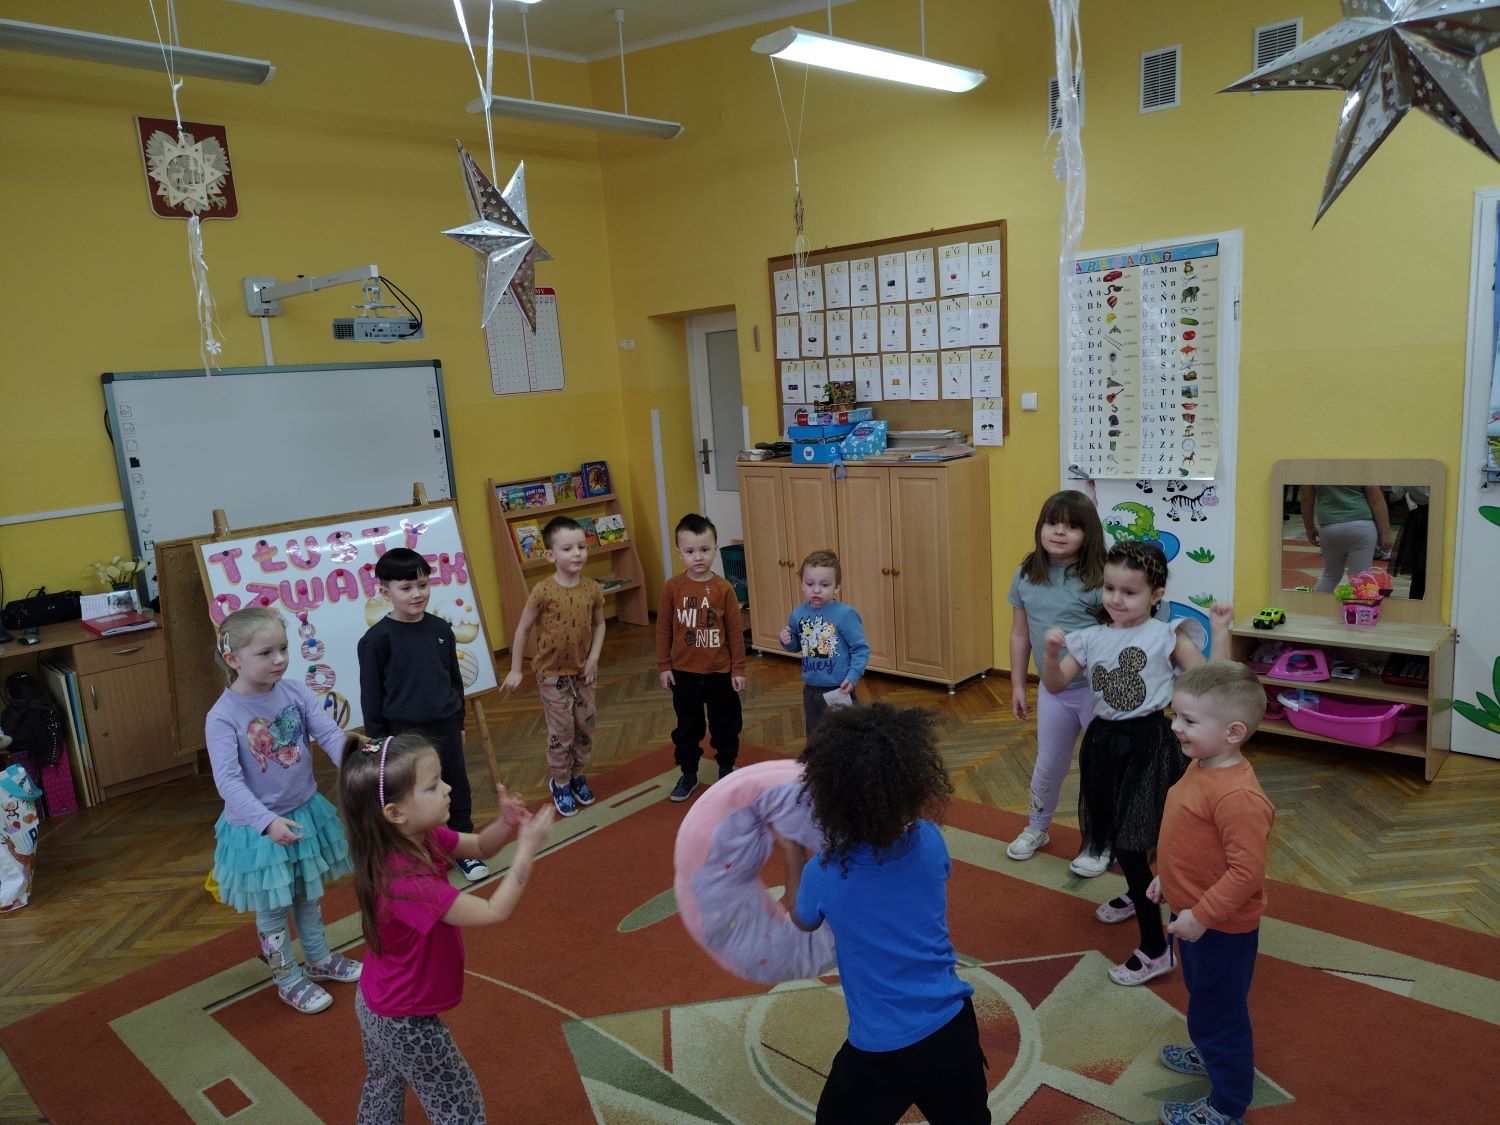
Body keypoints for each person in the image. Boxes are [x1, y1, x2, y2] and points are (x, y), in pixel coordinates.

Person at [776, 705, 989, 1124]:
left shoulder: (824, 873)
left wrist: (790, 850)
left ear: (828, 801)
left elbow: (800, 918)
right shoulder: (930, 841)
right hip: (952, 1027)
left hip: (881, 1049)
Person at [1041, 541, 1232, 986]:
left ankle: (1155, 949)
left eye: (1129, 592)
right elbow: (1055, 684)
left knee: (1131, 841)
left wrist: (1220, 630)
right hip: (1103, 742)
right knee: (1112, 832)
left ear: (1156, 595)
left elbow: (1211, 683)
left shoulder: (1167, 635)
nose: (1115, 599)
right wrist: (1049, 655)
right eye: (1109, 588)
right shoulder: (1090, 637)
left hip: (1149, 743)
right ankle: (1136, 890)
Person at [340, 731, 555, 1124]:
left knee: (384, 1083)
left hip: (377, 1000)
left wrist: (506, 825)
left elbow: (480, 847)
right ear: (395, 812)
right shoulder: (405, 881)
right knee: (458, 1102)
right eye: (433, 785)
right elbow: (493, 910)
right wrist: (527, 849)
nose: (447, 788)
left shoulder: (417, 836)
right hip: (405, 1019)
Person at [205, 606, 362, 1015]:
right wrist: (266, 822)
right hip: (258, 829)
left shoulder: (294, 691)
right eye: (265, 653)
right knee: (273, 909)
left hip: (304, 811)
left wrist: (360, 764)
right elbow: (229, 783)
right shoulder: (222, 716)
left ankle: (318, 958)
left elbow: (329, 735)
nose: (279, 659)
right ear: (233, 658)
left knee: (308, 893)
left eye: (283, 649)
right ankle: (286, 977)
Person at [1148, 661, 1275, 1125]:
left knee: (1221, 1012)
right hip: (1195, 915)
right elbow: (1190, 840)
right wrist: (1166, 877)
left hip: (1220, 926)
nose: (1175, 727)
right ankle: (1207, 1051)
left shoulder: (1238, 797)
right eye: (1175, 715)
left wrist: (1201, 916)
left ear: (1233, 732)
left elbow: (1246, 873)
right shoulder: (1202, 764)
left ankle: (1227, 1106)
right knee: (1203, 996)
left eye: (1188, 720)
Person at [358, 547, 485, 881]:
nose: (417, 594)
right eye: (406, 588)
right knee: (413, 795)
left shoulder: (441, 628)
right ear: (385, 592)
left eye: (423, 585)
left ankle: (462, 847)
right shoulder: (375, 640)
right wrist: (379, 744)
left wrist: (459, 721)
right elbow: (371, 697)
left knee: (455, 784)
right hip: (403, 734)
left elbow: (454, 679)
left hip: (445, 724)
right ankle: (420, 854)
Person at [1005, 490, 1107, 873]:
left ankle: (1101, 841)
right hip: (1053, 692)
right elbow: (1020, 634)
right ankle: (1037, 827)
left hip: (1097, 694)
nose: (1060, 532)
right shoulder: (1026, 573)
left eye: (1072, 526)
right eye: (1052, 523)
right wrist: (1018, 684)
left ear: (1088, 534)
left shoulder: (1099, 578)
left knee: (1100, 770)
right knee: (1048, 765)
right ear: (1041, 527)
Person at [501, 516, 606, 817]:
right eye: (567, 548)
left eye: (581, 547)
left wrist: (594, 658)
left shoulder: (592, 588)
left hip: (583, 672)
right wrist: (516, 668)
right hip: (551, 674)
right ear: (550, 555)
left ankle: (577, 775)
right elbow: (523, 629)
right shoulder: (543, 590)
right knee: (562, 731)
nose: (577, 553)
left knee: (585, 725)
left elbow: (600, 625)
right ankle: (560, 782)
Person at [657, 513, 747, 803]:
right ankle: (689, 773)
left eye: (705, 550)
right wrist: (664, 665)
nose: (698, 557)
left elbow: (735, 633)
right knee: (687, 727)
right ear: (679, 553)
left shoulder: (724, 589)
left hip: (720, 673)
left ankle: (725, 770)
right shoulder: (672, 588)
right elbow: (663, 629)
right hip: (684, 673)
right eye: (690, 551)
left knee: (726, 724)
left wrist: (738, 670)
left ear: (715, 548)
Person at [778, 549, 869, 737]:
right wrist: (787, 641)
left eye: (825, 584)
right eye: (810, 583)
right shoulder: (798, 613)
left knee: (846, 735)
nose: (816, 590)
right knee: (815, 735)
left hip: (839, 689)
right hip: (811, 689)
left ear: (837, 587)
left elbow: (860, 650)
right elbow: (797, 645)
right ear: (802, 584)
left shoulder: (845, 614)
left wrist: (852, 677)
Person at [1299, 484, 1391, 593]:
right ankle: (1357, 604)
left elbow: (1306, 499)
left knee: (1330, 575)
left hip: (1328, 526)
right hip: (1361, 525)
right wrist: (1385, 533)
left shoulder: (1314, 472)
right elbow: (1376, 500)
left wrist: (1309, 528)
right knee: (1360, 578)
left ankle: (1314, 603)